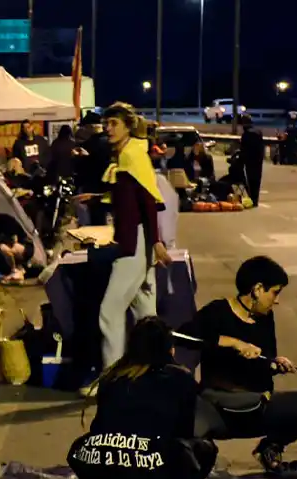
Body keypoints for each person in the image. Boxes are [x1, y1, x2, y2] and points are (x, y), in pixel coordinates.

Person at [176, 256, 297, 471]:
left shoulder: (265, 317)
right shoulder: (217, 311)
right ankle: (204, 460)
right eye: (275, 292)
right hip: (218, 411)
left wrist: (274, 364)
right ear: (258, 289)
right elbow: (181, 336)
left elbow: (264, 361)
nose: (276, 300)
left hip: (258, 408)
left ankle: (270, 447)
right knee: (180, 424)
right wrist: (232, 343)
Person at [68, 317, 217, 479]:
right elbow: (184, 432)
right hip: (143, 464)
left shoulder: (112, 376)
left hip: (99, 464)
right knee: (202, 450)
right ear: (168, 347)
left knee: (100, 450)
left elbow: (99, 427)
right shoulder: (179, 378)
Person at [74, 103, 172, 396]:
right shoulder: (125, 154)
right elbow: (127, 196)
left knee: (109, 312)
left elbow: (148, 203)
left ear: (128, 126)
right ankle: (155, 377)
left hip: (136, 242)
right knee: (145, 315)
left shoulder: (132, 155)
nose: (108, 128)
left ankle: (111, 381)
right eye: (106, 123)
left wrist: (155, 242)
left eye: (114, 123)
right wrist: (98, 197)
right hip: (137, 240)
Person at [75, 112, 113, 226]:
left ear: (91, 127)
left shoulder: (89, 144)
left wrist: (82, 157)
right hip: (109, 187)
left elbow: (84, 168)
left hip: (93, 188)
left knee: (96, 220)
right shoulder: (111, 142)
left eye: (85, 127)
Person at [240, 117, 265, 207]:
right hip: (258, 160)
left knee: (250, 180)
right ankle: (255, 199)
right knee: (257, 180)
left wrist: (242, 160)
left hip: (249, 160)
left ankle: (252, 199)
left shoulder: (246, 134)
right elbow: (262, 147)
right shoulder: (258, 132)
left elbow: (243, 149)